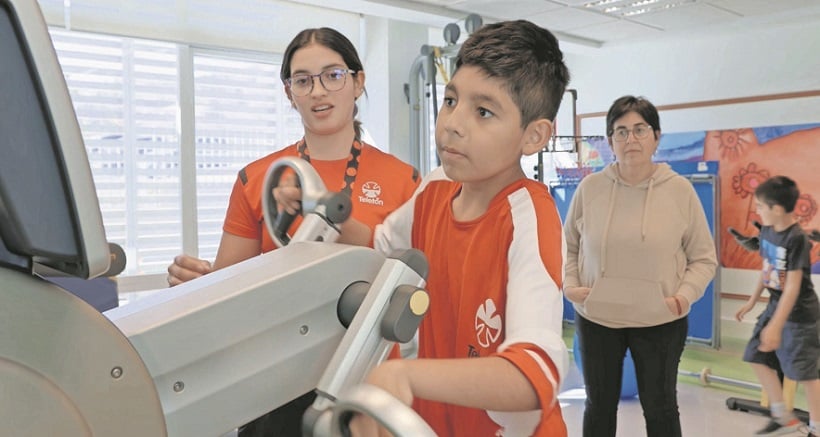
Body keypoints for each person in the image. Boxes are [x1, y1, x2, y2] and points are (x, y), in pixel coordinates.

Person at [304, 19, 571, 436]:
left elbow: (533, 373)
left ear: (534, 136)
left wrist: (408, 378)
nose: (453, 123)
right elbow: (380, 245)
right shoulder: (435, 188)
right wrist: (323, 211)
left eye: (483, 111)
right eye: (451, 100)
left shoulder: (529, 216)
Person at [166, 27, 420, 437]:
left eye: (333, 75)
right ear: (289, 93)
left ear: (357, 82)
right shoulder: (257, 179)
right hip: (273, 381)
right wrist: (199, 284)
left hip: (367, 375)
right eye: (302, 80)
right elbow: (230, 287)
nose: (318, 91)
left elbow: (414, 283)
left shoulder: (403, 180)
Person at [562, 95, 718, 437]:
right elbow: (569, 247)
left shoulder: (680, 191)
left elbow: (704, 258)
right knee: (598, 406)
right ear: (610, 141)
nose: (630, 139)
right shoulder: (590, 189)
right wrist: (571, 286)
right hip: (597, 317)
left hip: (660, 319)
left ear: (656, 136)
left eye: (639, 130)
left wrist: (683, 297)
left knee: (661, 408)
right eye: (621, 131)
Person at [735, 176, 820, 437]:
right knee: (756, 355)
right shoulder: (768, 230)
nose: (757, 210)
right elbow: (767, 270)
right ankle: (783, 416)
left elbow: (793, 287)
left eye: (760, 206)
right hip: (775, 305)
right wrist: (751, 301)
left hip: (800, 315)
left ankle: (816, 427)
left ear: (777, 209)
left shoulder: (797, 240)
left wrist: (776, 325)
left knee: (804, 372)